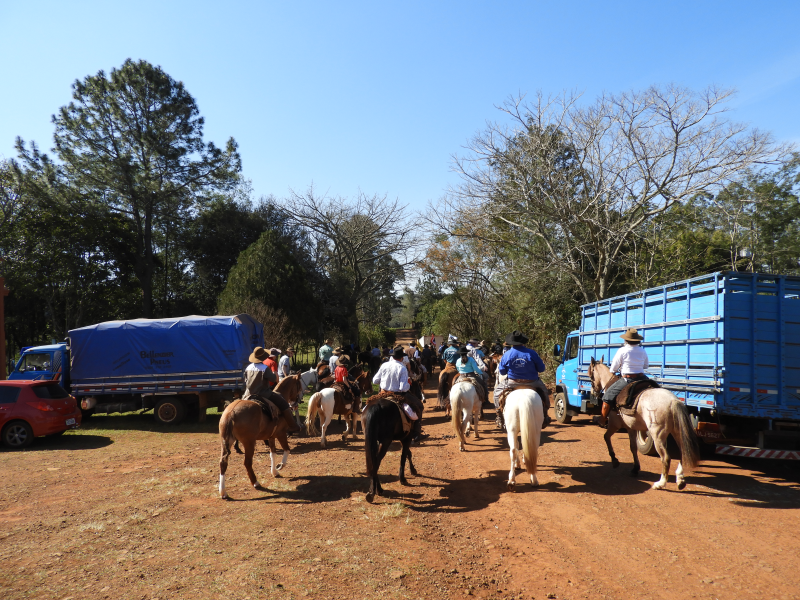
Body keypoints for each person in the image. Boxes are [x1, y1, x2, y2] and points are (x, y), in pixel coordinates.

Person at [497, 331, 552, 427]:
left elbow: (502, 372)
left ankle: (499, 415)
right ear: (523, 341)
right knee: (544, 393)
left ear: (511, 342)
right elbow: (541, 369)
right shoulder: (532, 353)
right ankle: (545, 414)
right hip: (533, 382)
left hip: (512, 383)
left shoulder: (507, 354)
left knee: (497, 392)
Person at [599, 328, 649, 428]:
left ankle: (603, 419)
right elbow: (645, 366)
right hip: (643, 378)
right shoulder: (642, 350)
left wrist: (616, 370)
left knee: (607, 396)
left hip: (628, 379)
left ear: (626, 340)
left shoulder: (622, 350)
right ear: (637, 340)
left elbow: (613, 368)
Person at [244, 346, 301, 432]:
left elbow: (245, 380)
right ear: (263, 357)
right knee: (283, 403)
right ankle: (293, 426)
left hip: (247, 394)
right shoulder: (264, 368)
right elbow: (273, 379)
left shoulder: (248, 367)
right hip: (263, 393)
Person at [372, 347, 424, 440]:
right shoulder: (402, 368)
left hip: (383, 393)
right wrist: (408, 383)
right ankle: (416, 433)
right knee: (419, 406)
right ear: (402, 358)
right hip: (397, 394)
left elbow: (375, 381)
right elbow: (403, 388)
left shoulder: (384, 365)